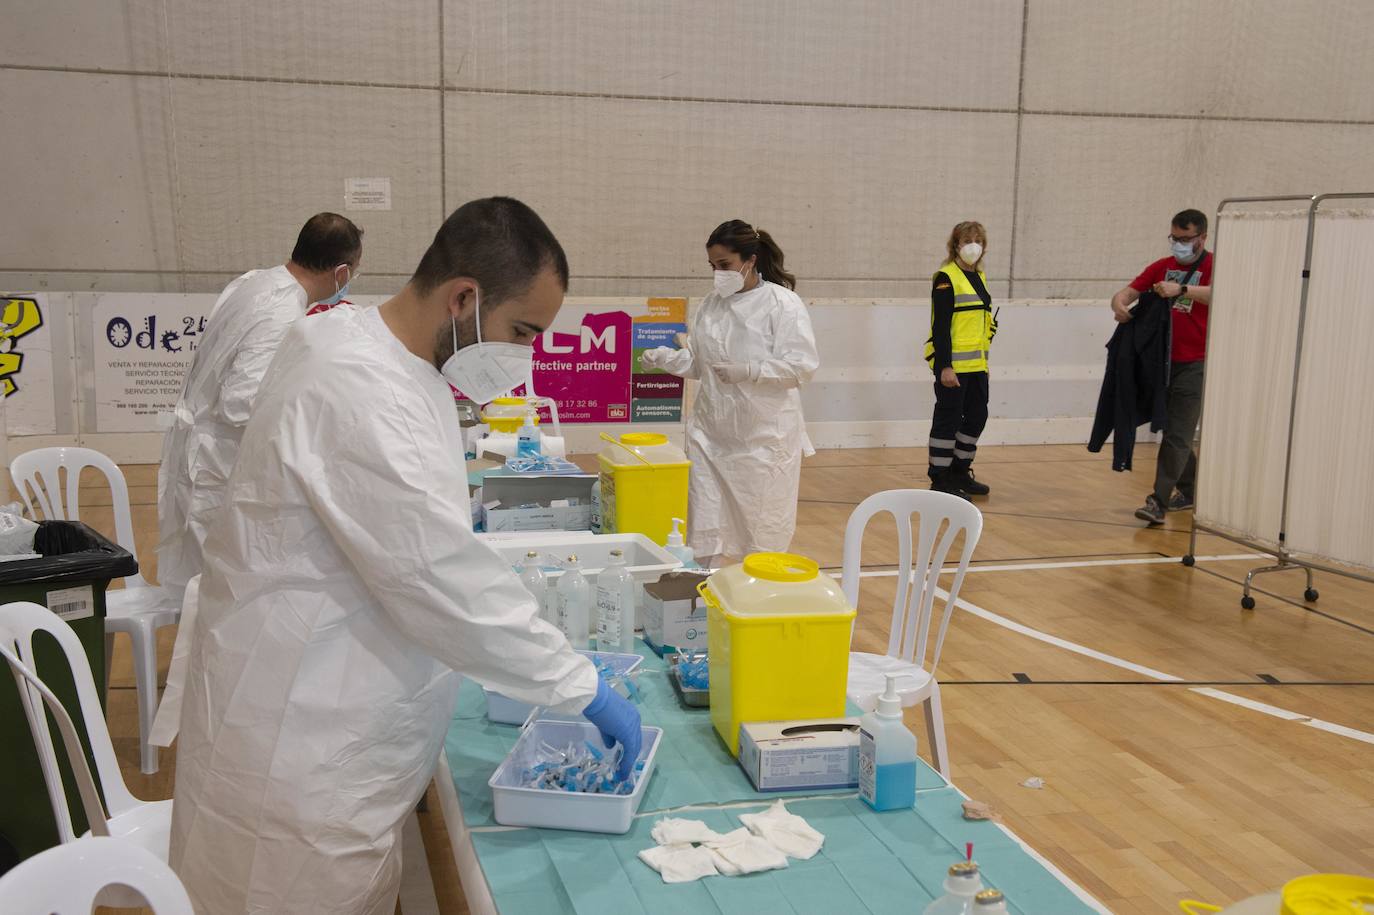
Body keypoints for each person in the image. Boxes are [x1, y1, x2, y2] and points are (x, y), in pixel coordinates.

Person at [168, 198, 642, 915]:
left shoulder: (368, 349)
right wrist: (578, 683)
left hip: (325, 715)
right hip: (303, 744)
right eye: (522, 331)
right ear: (462, 298)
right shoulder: (362, 386)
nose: (527, 354)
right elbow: (439, 578)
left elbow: (410, 531)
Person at [156, 212, 362, 605]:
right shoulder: (281, 313)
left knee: (214, 592)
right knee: (221, 596)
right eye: (354, 271)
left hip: (203, 454)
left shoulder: (253, 281)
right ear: (340, 272)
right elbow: (240, 403)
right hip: (217, 467)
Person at [641, 220, 819, 567]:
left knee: (761, 530)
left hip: (764, 440)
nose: (718, 273)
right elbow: (701, 364)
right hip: (711, 435)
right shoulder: (711, 305)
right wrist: (666, 360)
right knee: (704, 524)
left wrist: (750, 370)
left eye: (724, 265)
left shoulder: (782, 304)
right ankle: (702, 592)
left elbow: (802, 366)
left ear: (750, 260)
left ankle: (754, 597)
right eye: (713, 266)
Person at [1109, 208, 1213, 525]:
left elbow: (1221, 294)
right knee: (1173, 430)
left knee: (1178, 433)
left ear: (1202, 238)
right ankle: (1190, 488)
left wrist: (1181, 289)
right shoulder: (1161, 267)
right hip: (1160, 364)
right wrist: (1120, 304)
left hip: (1195, 363)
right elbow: (1128, 291)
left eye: (1186, 239)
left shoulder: (1214, 266)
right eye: (1175, 238)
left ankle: (1158, 501)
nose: (1179, 244)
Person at [924, 221, 997, 498]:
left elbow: (980, 325)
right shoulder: (946, 278)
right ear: (955, 245)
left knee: (977, 416)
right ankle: (940, 479)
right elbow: (940, 327)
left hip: (977, 366)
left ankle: (959, 471)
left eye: (978, 240)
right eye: (967, 240)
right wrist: (945, 366)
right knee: (948, 420)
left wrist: (985, 364)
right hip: (952, 367)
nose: (973, 246)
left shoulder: (980, 277)